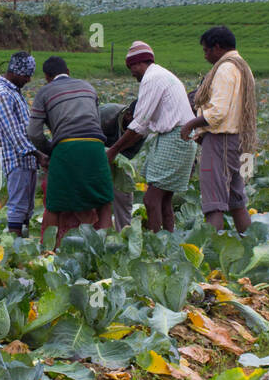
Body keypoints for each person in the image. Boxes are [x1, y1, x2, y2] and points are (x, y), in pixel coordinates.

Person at [107, 41, 196, 232]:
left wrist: (113, 151)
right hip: (180, 139)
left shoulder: (152, 78)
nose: (132, 72)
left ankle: (155, 247)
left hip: (175, 138)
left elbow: (140, 123)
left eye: (132, 67)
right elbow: (143, 127)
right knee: (164, 201)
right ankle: (167, 244)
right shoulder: (162, 74)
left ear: (141, 63)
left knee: (150, 199)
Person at [27, 56, 113, 245]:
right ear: (68, 72)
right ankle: (105, 248)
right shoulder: (88, 87)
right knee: (104, 201)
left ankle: (50, 251)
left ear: (47, 77)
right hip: (95, 146)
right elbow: (96, 122)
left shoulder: (45, 92)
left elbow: (33, 133)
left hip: (66, 147)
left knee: (55, 204)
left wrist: (50, 150)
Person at [180, 25, 256, 233]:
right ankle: (249, 244)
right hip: (237, 140)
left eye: (206, 50)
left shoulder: (225, 69)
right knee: (236, 200)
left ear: (217, 47)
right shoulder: (242, 66)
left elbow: (218, 111)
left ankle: (211, 256)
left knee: (214, 203)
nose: (205, 56)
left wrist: (191, 124)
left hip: (220, 139)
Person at [0, 52, 43, 236]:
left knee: (26, 208)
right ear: (15, 72)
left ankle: (23, 247)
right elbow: (15, 134)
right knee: (18, 207)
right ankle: (14, 251)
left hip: (27, 160)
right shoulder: (2, 95)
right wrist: (40, 155)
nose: (28, 79)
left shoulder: (13, 92)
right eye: (26, 75)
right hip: (18, 159)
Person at [100, 99, 144, 230]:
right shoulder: (106, 114)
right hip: (91, 153)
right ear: (128, 114)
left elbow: (129, 154)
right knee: (95, 194)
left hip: (117, 158)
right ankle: (96, 229)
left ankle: (124, 231)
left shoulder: (143, 126)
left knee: (124, 193)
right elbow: (86, 134)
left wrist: (113, 156)